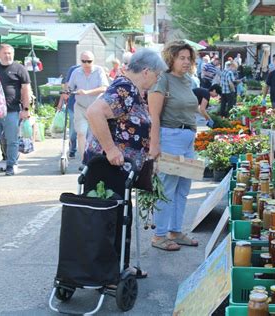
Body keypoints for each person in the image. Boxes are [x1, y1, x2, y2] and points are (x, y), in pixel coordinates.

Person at [85, 48, 167, 278]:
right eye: (157, 75)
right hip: (108, 167)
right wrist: (111, 150)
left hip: (119, 170)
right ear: (146, 71)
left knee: (120, 217)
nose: (158, 79)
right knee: (110, 219)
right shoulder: (124, 89)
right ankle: (108, 272)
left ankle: (118, 267)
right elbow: (94, 112)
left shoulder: (131, 89)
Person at [148, 41, 199, 251]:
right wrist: (155, 144)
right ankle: (159, 235)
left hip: (187, 138)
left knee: (182, 188)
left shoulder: (187, 80)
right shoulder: (163, 79)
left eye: (189, 58)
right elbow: (154, 115)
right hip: (169, 136)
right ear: (171, 59)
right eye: (182, 58)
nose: (186, 62)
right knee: (167, 188)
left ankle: (175, 231)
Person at [67, 51, 109, 169]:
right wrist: (67, 91)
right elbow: (70, 87)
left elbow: (104, 88)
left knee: (94, 135)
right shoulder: (76, 72)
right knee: (81, 133)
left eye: (89, 61)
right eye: (83, 61)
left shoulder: (99, 71)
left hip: (95, 108)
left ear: (93, 61)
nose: (86, 64)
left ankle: (94, 160)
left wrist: (87, 92)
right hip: (80, 107)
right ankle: (84, 161)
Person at [0, 44, 31, 176]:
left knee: (12, 140)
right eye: (5, 53)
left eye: (10, 53)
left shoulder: (19, 68)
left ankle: (11, 165)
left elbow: (26, 90)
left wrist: (26, 109)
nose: (8, 56)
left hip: (12, 111)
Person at [57, 64, 80, 159]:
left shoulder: (96, 71)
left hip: (89, 105)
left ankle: (86, 151)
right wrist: (61, 102)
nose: (86, 63)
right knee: (73, 130)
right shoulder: (73, 69)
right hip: (73, 104)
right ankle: (72, 149)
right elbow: (66, 87)